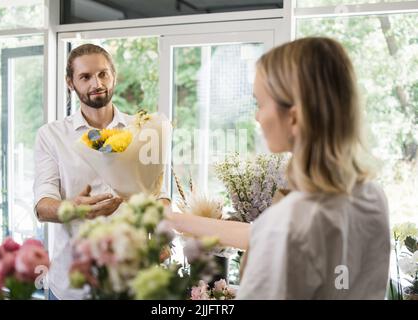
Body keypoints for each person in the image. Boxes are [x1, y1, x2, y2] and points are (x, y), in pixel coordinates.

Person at [166, 37, 390, 299]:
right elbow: (259, 235)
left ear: (294, 117)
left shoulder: (289, 221)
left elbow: (276, 235)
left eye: (260, 104)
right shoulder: (372, 196)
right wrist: (173, 219)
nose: (257, 116)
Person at [33, 44, 170, 300]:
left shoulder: (143, 130)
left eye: (103, 74)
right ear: (70, 83)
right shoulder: (51, 136)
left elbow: (158, 194)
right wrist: (75, 208)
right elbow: (42, 206)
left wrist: (160, 230)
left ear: (114, 75)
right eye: (85, 77)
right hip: (74, 286)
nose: (97, 83)